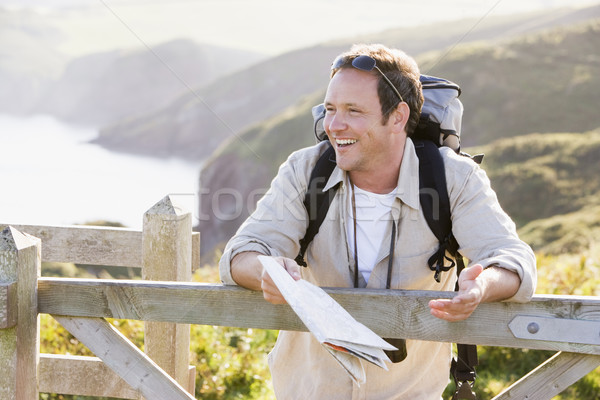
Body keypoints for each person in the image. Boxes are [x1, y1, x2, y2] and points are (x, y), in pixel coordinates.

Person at [219, 43, 536, 399]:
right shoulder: (305, 170)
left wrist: (482, 287)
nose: (334, 126)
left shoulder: (453, 178)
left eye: (353, 111)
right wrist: (267, 271)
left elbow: (513, 259)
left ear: (398, 116)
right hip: (305, 391)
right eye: (329, 109)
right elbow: (241, 252)